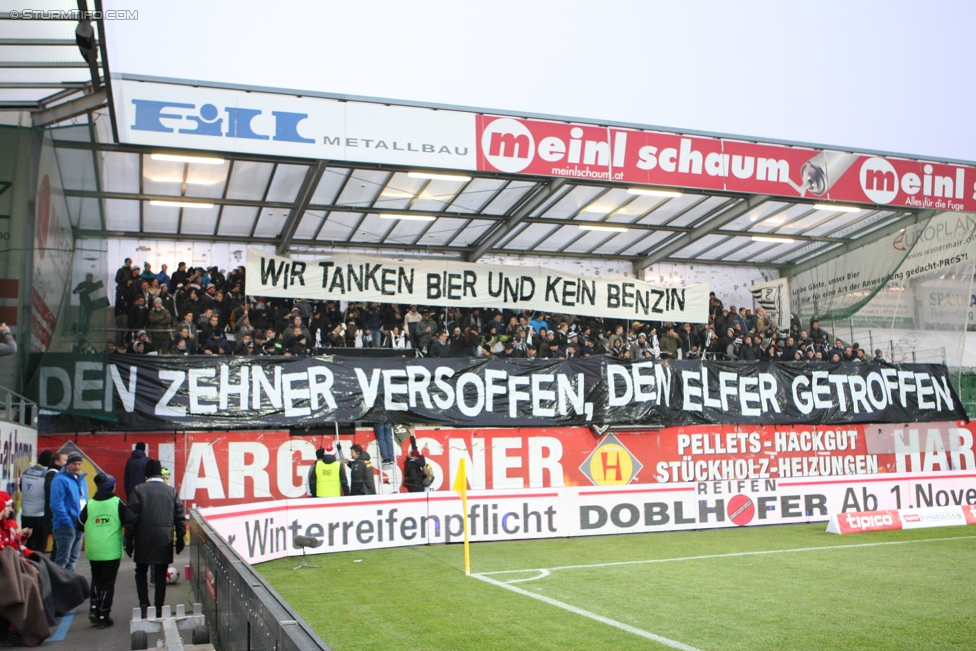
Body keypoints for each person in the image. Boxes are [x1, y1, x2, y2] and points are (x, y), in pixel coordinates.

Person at [125, 459, 186, 618]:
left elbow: (131, 519)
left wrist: (128, 541)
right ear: (160, 473)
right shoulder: (171, 492)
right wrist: (180, 538)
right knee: (160, 572)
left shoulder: (138, 490)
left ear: (146, 474)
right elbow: (179, 517)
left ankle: (144, 604)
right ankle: (159, 606)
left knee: (141, 571)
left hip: (143, 538)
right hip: (164, 538)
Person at [77, 473, 125, 628]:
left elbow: (78, 523)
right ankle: (104, 615)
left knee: (96, 579)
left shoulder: (90, 504)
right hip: (111, 550)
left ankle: (94, 608)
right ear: (113, 487)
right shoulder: (117, 503)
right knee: (108, 583)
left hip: (94, 548)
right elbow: (128, 521)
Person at [50, 452, 88, 571]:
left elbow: (84, 501)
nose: (76, 467)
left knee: (73, 559)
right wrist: (67, 522)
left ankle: (69, 586)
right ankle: (58, 586)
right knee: (62, 560)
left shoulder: (82, 480)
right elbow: (56, 504)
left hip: (79, 524)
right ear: (67, 465)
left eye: (79, 464)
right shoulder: (60, 480)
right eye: (73, 464)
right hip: (65, 526)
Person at [18, 450, 51, 553]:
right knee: (40, 545)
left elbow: (21, 488)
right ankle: (36, 567)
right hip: (40, 515)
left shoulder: (26, 471)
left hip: (26, 514)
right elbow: (49, 493)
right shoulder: (47, 474)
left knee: (27, 543)